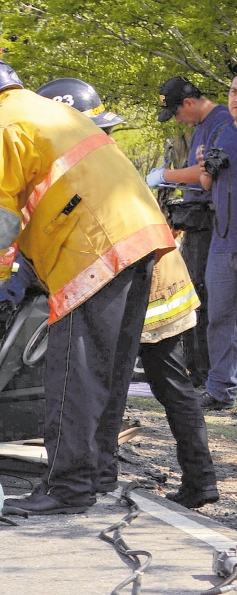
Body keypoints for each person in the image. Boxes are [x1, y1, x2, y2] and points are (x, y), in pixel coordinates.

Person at [0, 59, 175, 515]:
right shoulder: (48, 112)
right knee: (109, 371)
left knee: (74, 373)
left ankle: (68, 487)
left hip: (91, 247)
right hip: (138, 236)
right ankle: (98, 473)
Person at [38, 76, 218, 509]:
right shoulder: (106, 157)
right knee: (153, 385)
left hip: (149, 287)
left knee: (139, 383)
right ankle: (177, 477)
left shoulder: (87, 165)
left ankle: (195, 479)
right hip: (155, 279)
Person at [148, 76, 232, 409]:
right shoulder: (202, 128)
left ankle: (213, 377)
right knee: (203, 300)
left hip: (215, 225)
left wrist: (166, 176)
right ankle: (206, 377)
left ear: (188, 103)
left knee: (212, 305)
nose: (179, 121)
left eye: (177, 113)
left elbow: (204, 176)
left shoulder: (222, 123)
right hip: (202, 223)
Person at [197, 74, 237, 417]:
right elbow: (206, 183)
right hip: (223, 242)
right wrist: (206, 168)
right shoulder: (224, 131)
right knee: (219, 318)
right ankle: (220, 390)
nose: (236, 98)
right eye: (234, 91)